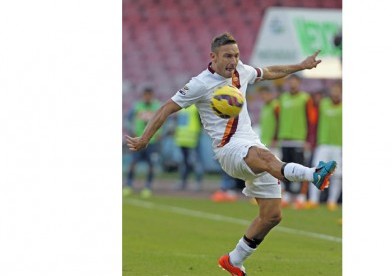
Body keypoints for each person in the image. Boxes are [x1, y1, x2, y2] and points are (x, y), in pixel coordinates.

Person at [126, 33, 337, 276]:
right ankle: (314, 174)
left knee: (271, 215)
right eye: (228, 56)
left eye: (236, 55)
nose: (233, 61)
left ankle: (233, 260)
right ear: (213, 57)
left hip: (250, 143)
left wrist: (300, 66)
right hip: (228, 150)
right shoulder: (199, 84)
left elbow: (268, 71)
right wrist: (145, 138)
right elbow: (166, 108)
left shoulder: (241, 72)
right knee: (266, 158)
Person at [276, 75, 315, 209]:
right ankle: (286, 195)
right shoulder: (282, 98)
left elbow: (311, 120)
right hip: (285, 139)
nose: (293, 84)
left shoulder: (305, 98)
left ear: (299, 83)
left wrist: (308, 139)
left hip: (299, 140)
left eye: (295, 82)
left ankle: (301, 196)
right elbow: (278, 119)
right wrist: (276, 137)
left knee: (302, 168)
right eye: (290, 82)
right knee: (284, 169)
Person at [308, 81, 343, 211]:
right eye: (333, 90)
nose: (335, 93)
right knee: (317, 171)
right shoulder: (323, 104)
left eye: (338, 90)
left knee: (337, 174)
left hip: (339, 145)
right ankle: (313, 200)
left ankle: (332, 201)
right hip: (322, 143)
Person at [123, 87, 162, 198]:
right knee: (133, 163)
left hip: (152, 141)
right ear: (143, 95)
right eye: (145, 95)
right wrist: (132, 130)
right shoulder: (137, 106)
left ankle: (148, 187)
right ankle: (128, 185)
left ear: (152, 95)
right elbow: (127, 119)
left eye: (149, 95)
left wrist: (160, 133)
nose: (147, 97)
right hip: (138, 140)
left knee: (151, 164)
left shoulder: (157, 106)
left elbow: (165, 120)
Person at [174, 104, 204, 191]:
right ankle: (183, 182)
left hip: (193, 139)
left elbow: (201, 122)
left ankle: (197, 182)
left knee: (195, 162)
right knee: (184, 162)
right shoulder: (182, 107)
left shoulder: (195, 108)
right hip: (182, 139)